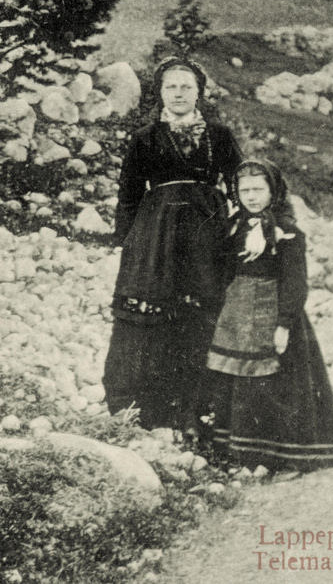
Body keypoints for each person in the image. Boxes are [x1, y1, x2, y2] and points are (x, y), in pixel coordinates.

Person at [102, 56, 243, 430]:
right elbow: (129, 194)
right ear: (160, 92)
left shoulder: (220, 136)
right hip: (157, 236)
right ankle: (145, 408)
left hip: (205, 235)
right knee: (154, 312)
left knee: (200, 312)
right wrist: (129, 244)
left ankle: (196, 407)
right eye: (170, 87)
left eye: (185, 87)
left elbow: (240, 184)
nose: (178, 93)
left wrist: (245, 229)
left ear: (199, 92)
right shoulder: (144, 138)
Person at [196, 159, 333, 471]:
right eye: (244, 190)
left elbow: (295, 282)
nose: (250, 196)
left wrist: (284, 324)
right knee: (236, 381)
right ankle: (237, 452)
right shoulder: (233, 227)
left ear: (272, 190)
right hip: (236, 315)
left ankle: (280, 457)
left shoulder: (286, 232)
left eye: (257, 189)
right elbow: (222, 272)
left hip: (273, 312)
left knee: (276, 384)